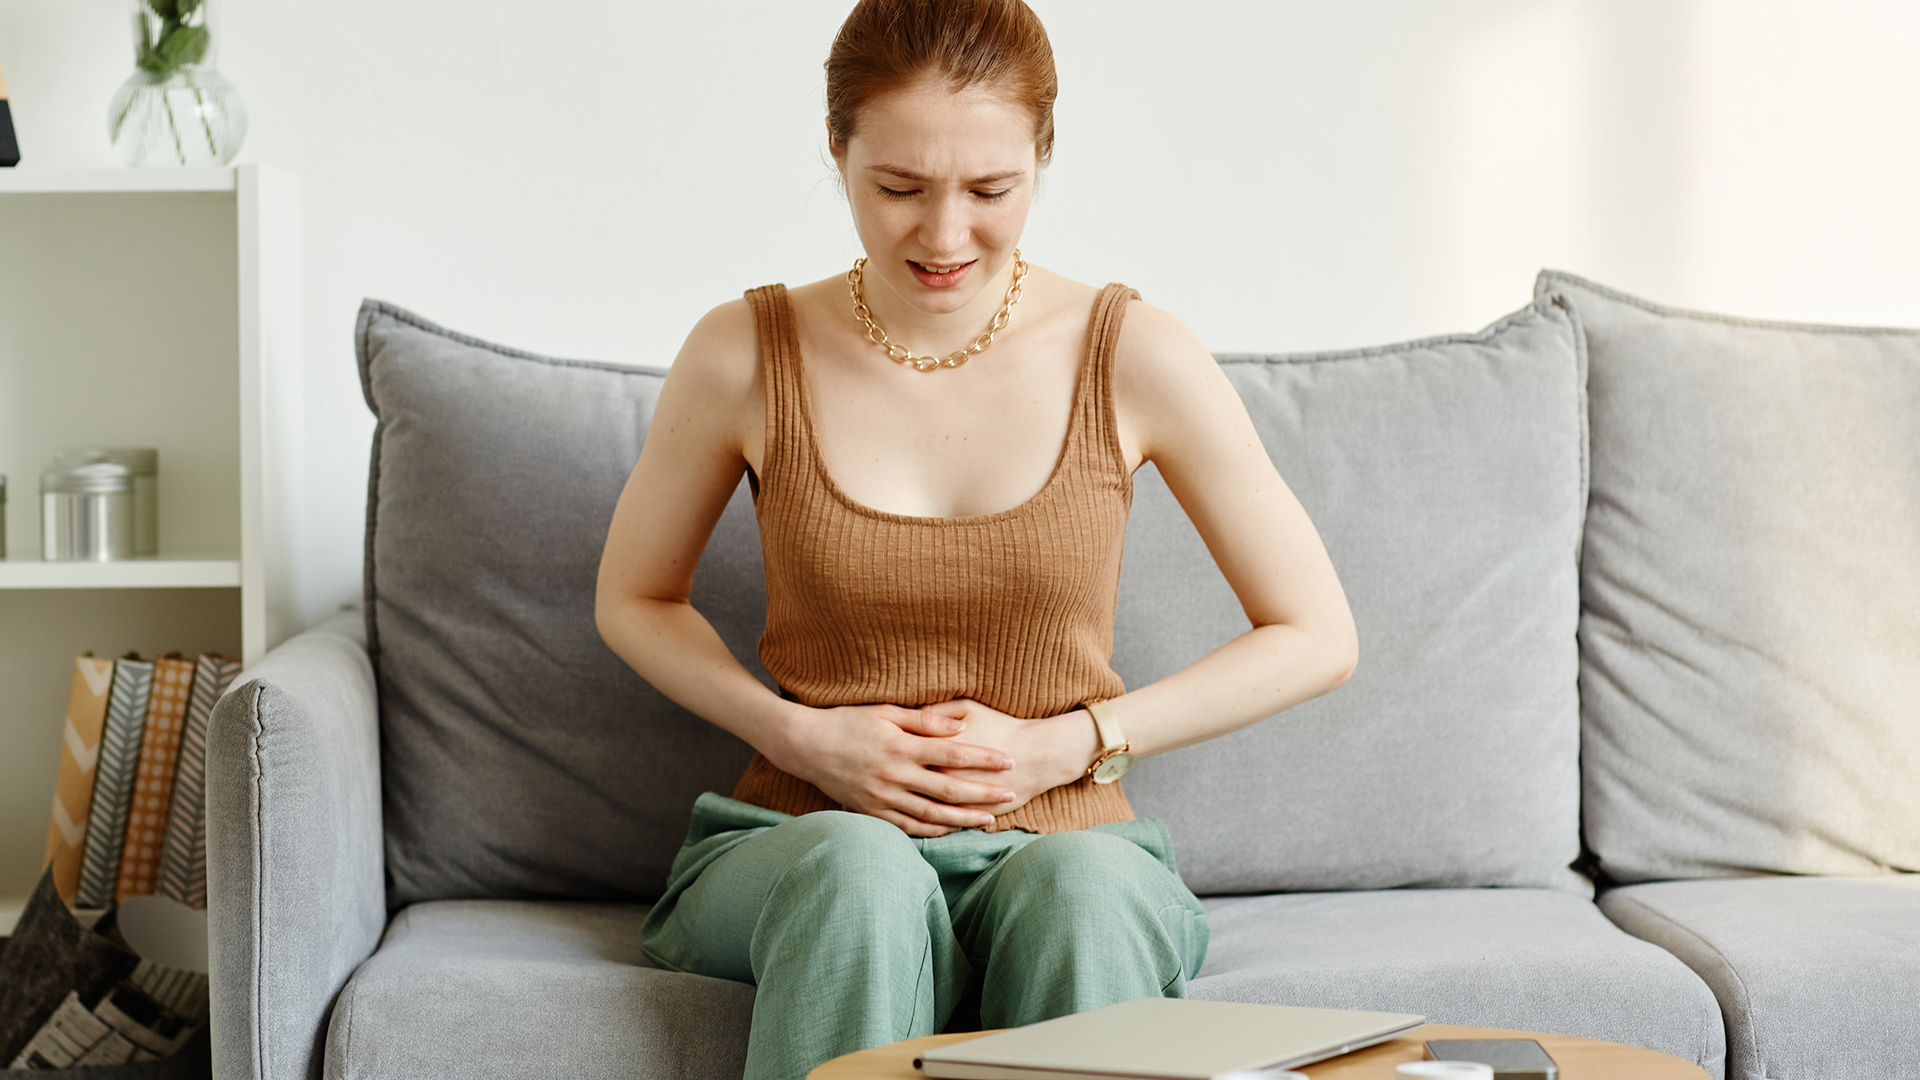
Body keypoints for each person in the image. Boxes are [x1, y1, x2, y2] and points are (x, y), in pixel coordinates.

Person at [594, 1, 1357, 1075]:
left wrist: (1069, 742)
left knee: (1082, 894)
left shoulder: (1134, 352)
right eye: (898, 188)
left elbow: (1315, 633)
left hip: (1065, 837)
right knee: (863, 876)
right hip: (803, 845)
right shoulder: (743, 352)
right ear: (838, 149)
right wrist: (804, 739)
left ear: (1043, 157)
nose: (945, 236)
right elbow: (634, 598)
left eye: (993, 192)